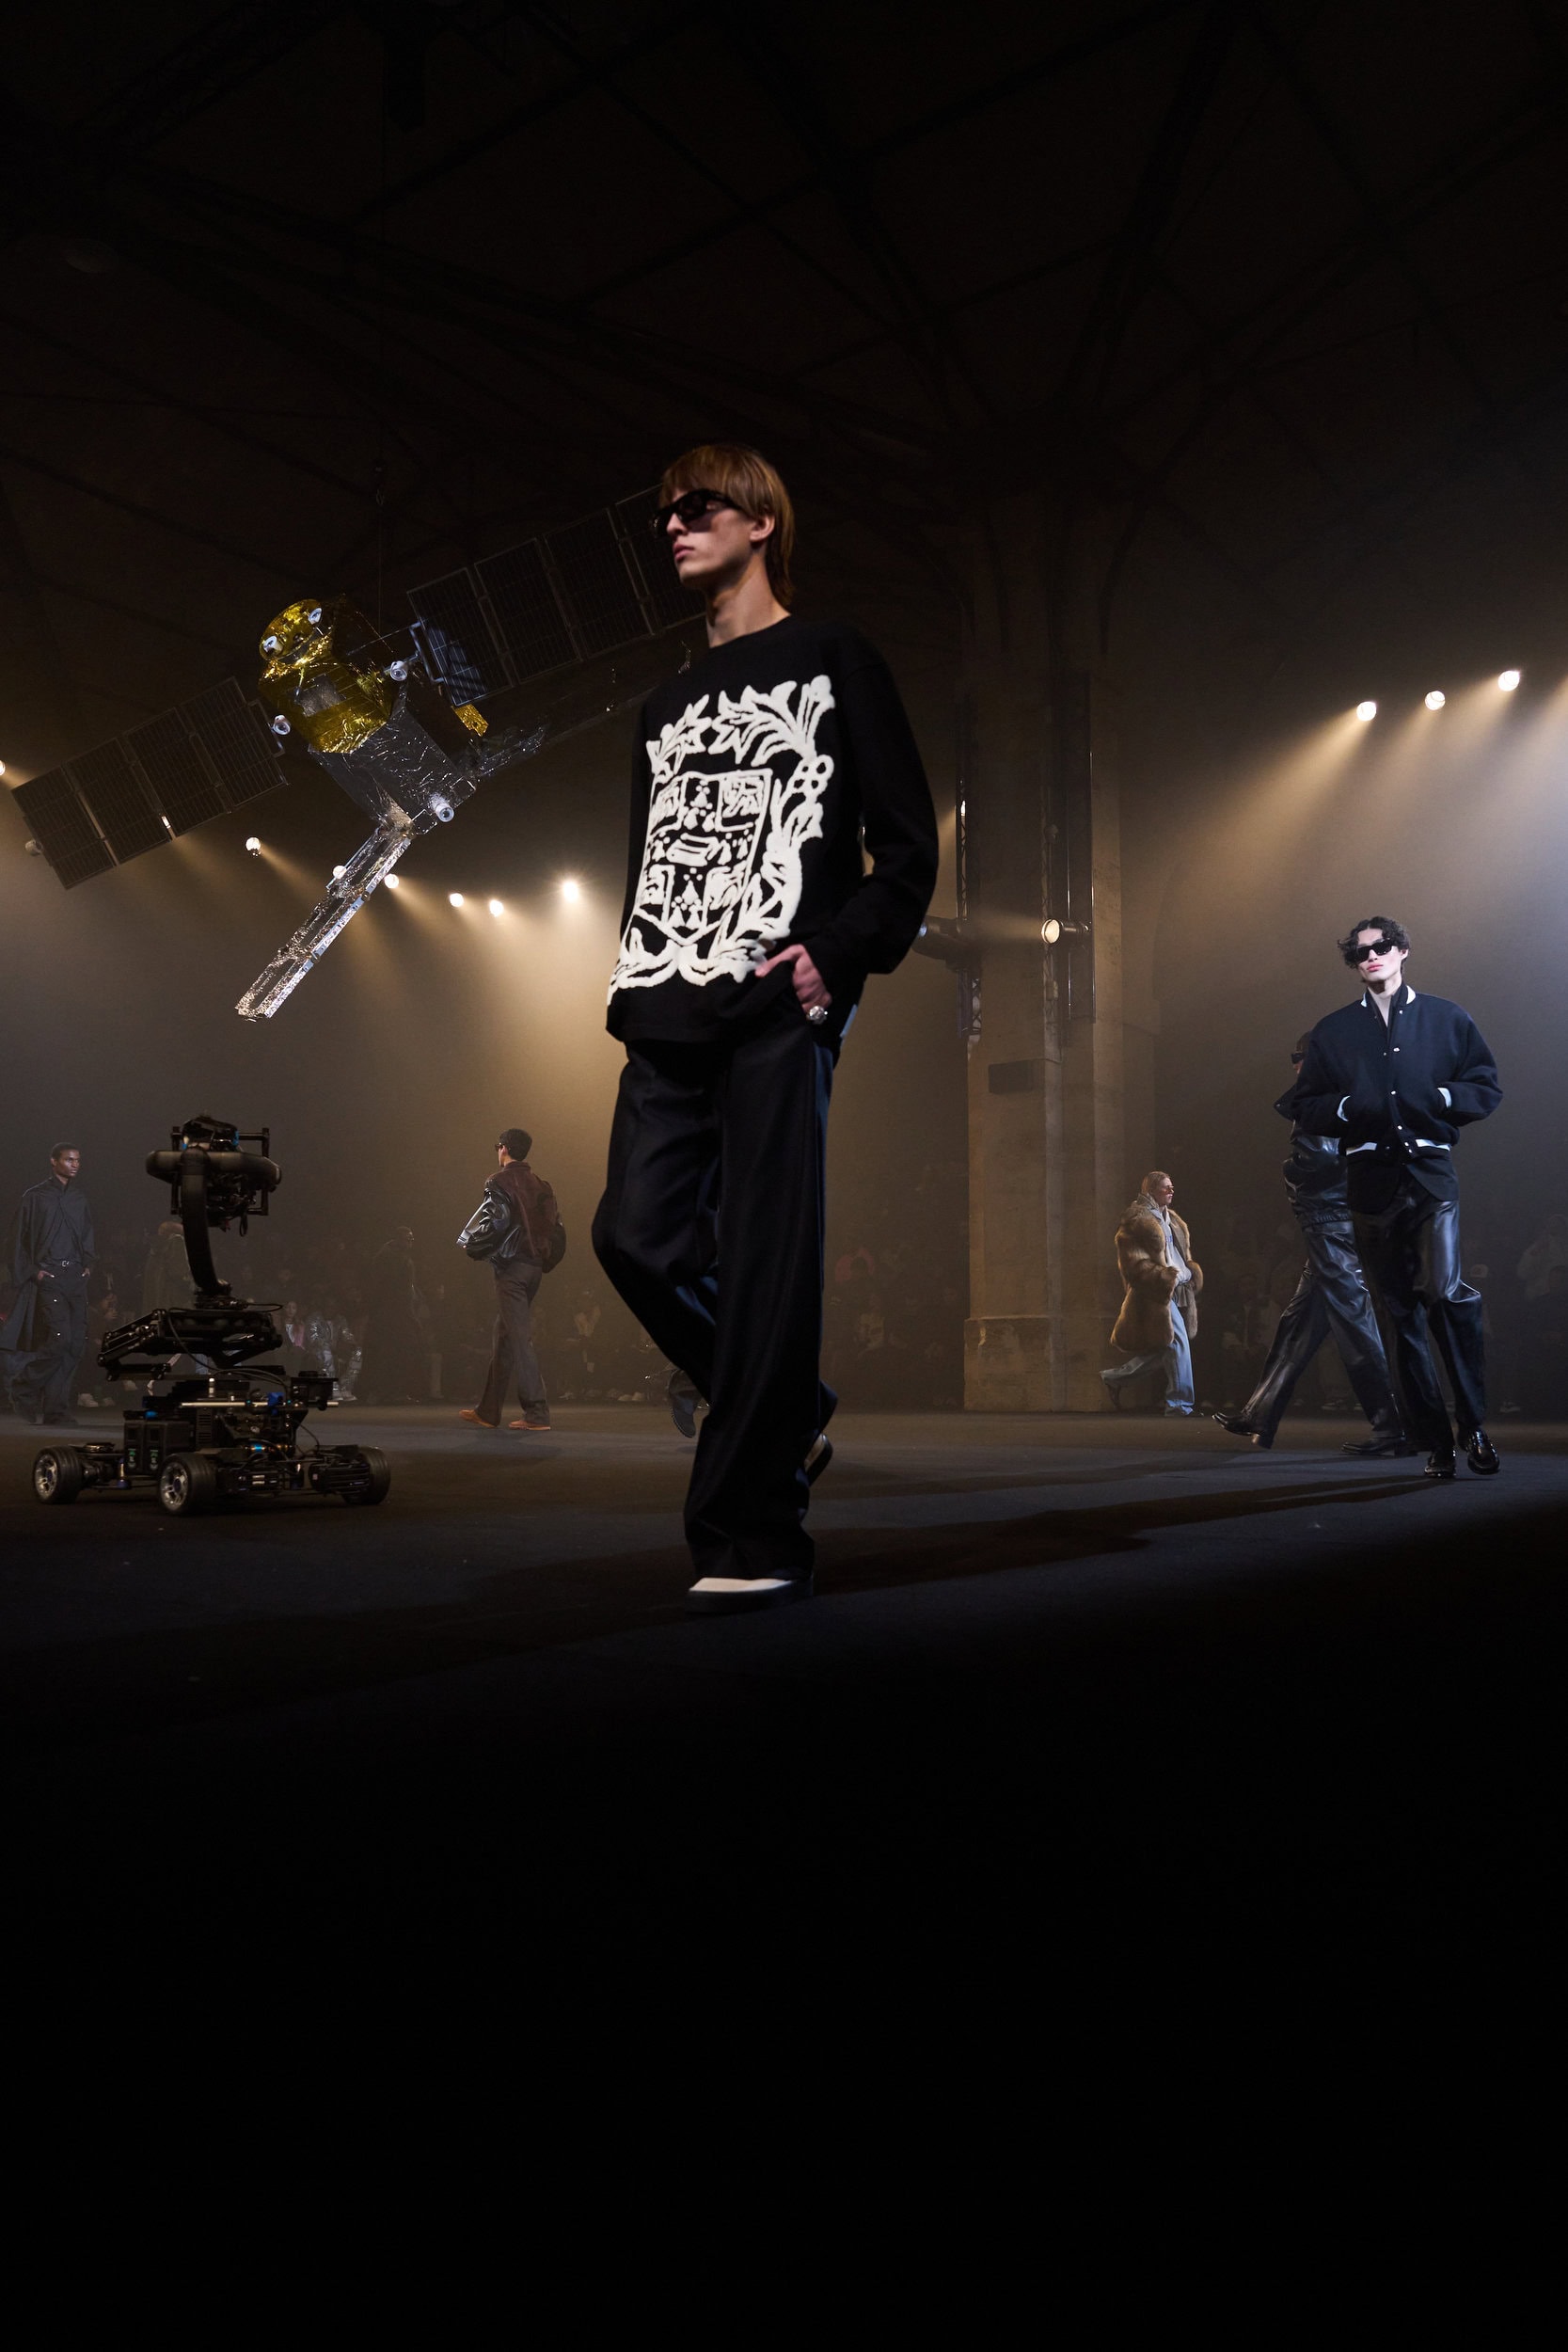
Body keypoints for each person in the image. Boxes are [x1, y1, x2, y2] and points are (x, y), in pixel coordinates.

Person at [592, 441, 938, 1613]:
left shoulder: (834, 655)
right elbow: (651, 857)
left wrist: (832, 956)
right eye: (664, 512)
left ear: (759, 522)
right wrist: (634, 972)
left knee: (768, 1264)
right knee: (631, 1239)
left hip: (778, 1002)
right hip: (664, 1000)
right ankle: (786, 1410)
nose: (672, 524)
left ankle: (753, 1534)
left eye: (697, 506)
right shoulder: (661, 704)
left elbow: (905, 848)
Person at [1289, 916, 1501, 1478]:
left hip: (1431, 1174)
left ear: (1402, 950)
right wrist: (1346, 1107)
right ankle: (1435, 1443)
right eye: (1360, 952)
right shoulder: (1334, 1030)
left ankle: (1473, 1425)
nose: (1371, 957)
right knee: (1399, 1314)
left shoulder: (1446, 1017)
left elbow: (1485, 1086)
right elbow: (1302, 1103)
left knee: (1446, 1295)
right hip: (1370, 1181)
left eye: (1381, 946)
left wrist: (1440, 1097)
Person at [1214, 1039, 1412, 1454]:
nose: (1294, 1065)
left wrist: (1290, 1171)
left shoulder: (1322, 1102)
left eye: (1299, 1057)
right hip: (1338, 1222)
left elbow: (1320, 1160)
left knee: (1353, 1325)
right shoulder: (1350, 1098)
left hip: (1330, 1223)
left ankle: (1392, 1426)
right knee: (1299, 1323)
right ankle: (1259, 1413)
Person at [460, 1127, 562, 1434]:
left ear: (503, 1148)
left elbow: (497, 1221)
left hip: (512, 1268)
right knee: (504, 1336)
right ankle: (488, 1411)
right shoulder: (542, 1185)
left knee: (518, 1339)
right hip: (534, 1267)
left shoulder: (499, 1181)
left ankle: (537, 1412)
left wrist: (473, 1245)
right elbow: (556, 1227)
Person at [2, 1144, 95, 1426]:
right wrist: (34, 1272)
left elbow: (87, 1233)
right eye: (69, 1159)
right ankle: (22, 1386)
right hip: (50, 1276)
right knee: (60, 1339)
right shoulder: (35, 1196)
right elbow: (16, 1239)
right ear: (54, 1161)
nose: (75, 1164)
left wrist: (88, 1265)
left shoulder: (78, 1198)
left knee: (75, 1344)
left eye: (78, 1160)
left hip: (75, 1276)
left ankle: (56, 1410)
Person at [1101, 1172, 1203, 1416]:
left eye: (1172, 1187)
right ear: (1151, 1190)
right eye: (1166, 1187)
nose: (1171, 1191)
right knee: (1178, 1342)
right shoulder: (1136, 1220)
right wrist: (1164, 1277)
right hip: (1155, 1291)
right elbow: (1133, 1265)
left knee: (1166, 1346)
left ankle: (1115, 1378)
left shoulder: (1173, 1219)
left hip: (1179, 1289)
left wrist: (1189, 1273)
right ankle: (1179, 1404)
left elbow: (1178, 1255)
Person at [359, 1228, 424, 1403]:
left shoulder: (396, 1257)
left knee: (398, 1351)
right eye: (407, 1239)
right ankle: (387, 1392)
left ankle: (391, 1391)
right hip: (392, 1314)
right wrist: (410, 1314)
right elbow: (394, 1289)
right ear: (397, 1239)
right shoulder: (389, 1258)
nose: (411, 1242)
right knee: (393, 1352)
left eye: (412, 1239)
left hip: (396, 1313)